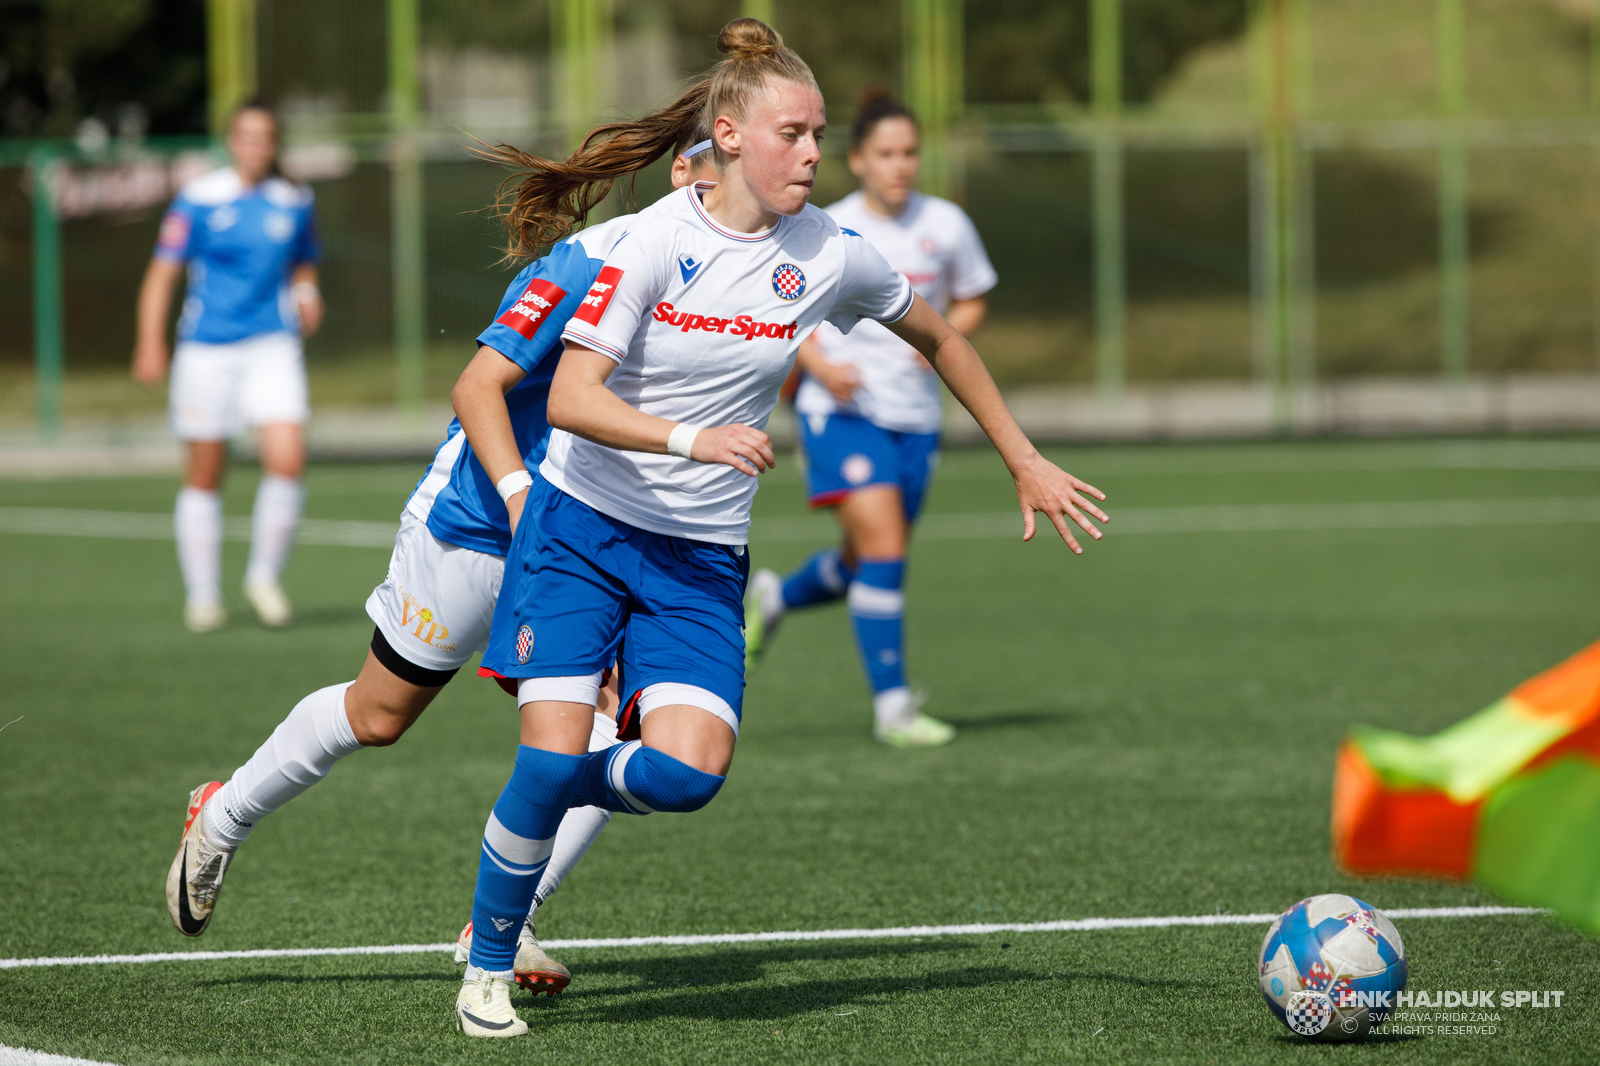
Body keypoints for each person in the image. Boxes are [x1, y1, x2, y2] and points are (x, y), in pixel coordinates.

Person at [454, 18, 1108, 1038]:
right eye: (794, 133)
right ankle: (485, 963)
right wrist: (689, 439)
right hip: (579, 529)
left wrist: (1021, 455)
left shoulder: (833, 254)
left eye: (818, 134)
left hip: (700, 562)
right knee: (547, 750)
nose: (813, 153)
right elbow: (575, 397)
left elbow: (937, 335)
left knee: (686, 775)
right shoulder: (654, 242)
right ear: (727, 135)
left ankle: (533, 804)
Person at [164, 92, 720, 999]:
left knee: (618, 722)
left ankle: (503, 921)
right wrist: (517, 498)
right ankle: (220, 816)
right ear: (688, 170)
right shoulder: (596, 259)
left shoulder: (753, 267)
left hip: (593, 536)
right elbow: (478, 391)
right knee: (380, 714)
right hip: (481, 519)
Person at [744, 88, 997, 747]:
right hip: (842, 413)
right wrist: (820, 369)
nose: (900, 165)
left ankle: (775, 598)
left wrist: (938, 344)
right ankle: (893, 709)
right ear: (857, 160)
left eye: (910, 152)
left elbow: (970, 301)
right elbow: (779, 316)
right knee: (884, 551)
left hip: (916, 419)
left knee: (866, 558)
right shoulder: (824, 229)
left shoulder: (946, 224)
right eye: (886, 153)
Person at [133, 98, 323, 632]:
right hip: (207, 351)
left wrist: (307, 288)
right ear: (231, 141)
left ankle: (263, 579)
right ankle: (203, 595)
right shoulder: (198, 198)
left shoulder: (294, 199)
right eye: (247, 136)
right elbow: (163, 274)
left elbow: (304, 258)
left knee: (287, 458)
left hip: (273, 347)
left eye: (267, 137)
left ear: (275, 143)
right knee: (206, 471)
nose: (257, 146)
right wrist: (150, 342)